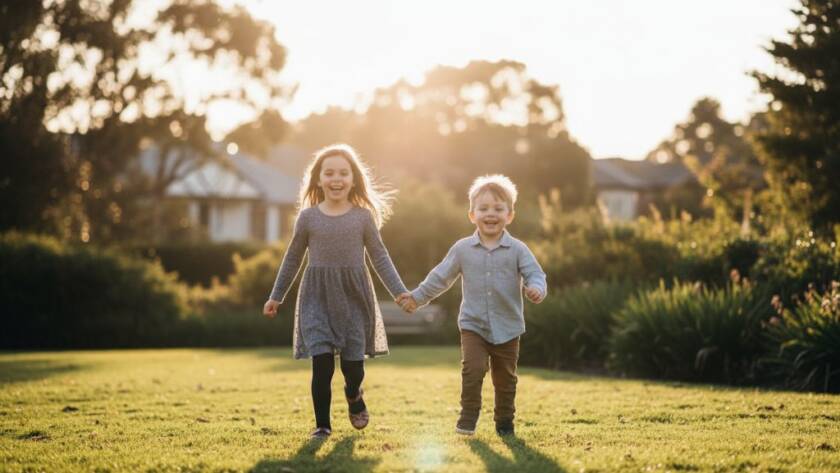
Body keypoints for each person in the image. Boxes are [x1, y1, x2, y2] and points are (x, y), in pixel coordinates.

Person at [263, 143, 411, 439]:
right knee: (321, 363)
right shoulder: (308, 218)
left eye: (343, 173)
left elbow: (380, 256)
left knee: (353, 367)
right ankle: (322, 425)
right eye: (328, 173)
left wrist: (400, 292)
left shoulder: (362, 217)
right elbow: (293, 257)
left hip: (354, 298)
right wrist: (276, 296)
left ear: (354, 180)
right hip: (317, 297)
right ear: (318, 179)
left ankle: (353, 393)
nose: (336, 179)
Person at [397, 174, 546, 436]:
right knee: (472, 370)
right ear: (472, 215)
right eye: (484, 208)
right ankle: (468, 417)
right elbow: (440, 277)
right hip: (473, 325)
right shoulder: (462, 249)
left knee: (505, 379)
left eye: (498, 209)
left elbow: (536, 274)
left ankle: (504, 422)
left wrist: (536, 289)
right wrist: (417, 298)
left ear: (510, 215)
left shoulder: (518, 249)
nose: (491, 214)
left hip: (508, 327)